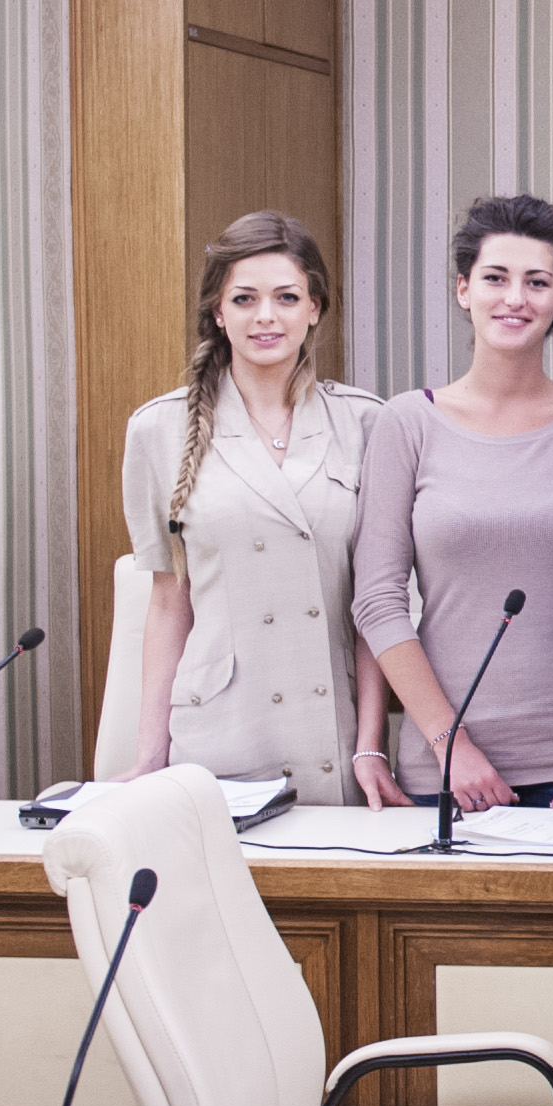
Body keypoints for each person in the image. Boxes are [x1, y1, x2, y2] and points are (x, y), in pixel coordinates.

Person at [350, 194, 553, 812]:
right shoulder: (407, 422)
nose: (514, 298)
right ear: (464, 290)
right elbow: (378, 600)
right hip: (442, 770)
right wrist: (451, 744)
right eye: (495, 278)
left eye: (537, 282)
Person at [117, 210, 384, 803]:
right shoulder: (157, 429)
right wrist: (148, 753)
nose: (266, 316)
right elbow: (168, 601)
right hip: (218, 730)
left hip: (329, 729)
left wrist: (371, 743)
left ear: (315, 307)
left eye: (287, 297)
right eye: (244, 299)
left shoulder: (367, 422)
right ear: (219, 312)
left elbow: (378, 605)